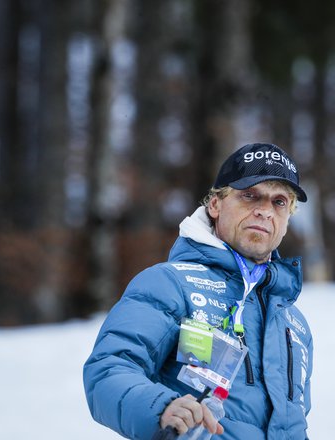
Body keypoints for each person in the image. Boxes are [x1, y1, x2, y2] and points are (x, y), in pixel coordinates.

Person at [83, 143, 313, 439]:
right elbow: (107, 371)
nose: (265, 211)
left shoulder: (294, 325)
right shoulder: (169, 283)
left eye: (279, 202)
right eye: (250, 195)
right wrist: (160, 407)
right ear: (215, 205)